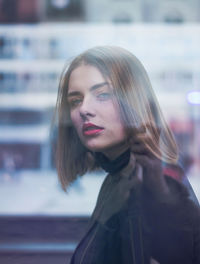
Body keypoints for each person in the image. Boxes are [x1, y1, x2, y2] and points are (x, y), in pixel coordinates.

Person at [55, 46, 200, 264]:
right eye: (75, 100)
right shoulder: (117, 178)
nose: (85, 109)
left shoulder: (149, 183)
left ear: (133, 101)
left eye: (103, 95)